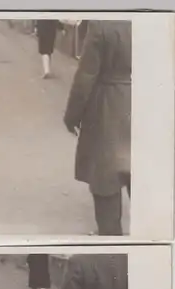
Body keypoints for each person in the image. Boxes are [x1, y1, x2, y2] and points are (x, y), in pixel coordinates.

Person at [64, 21, 131, 236]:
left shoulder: (102, 24)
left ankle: (111, 244)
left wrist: (72, 115)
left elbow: (86, 76)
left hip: (109, 107)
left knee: (106, 179)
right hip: (150, 101)